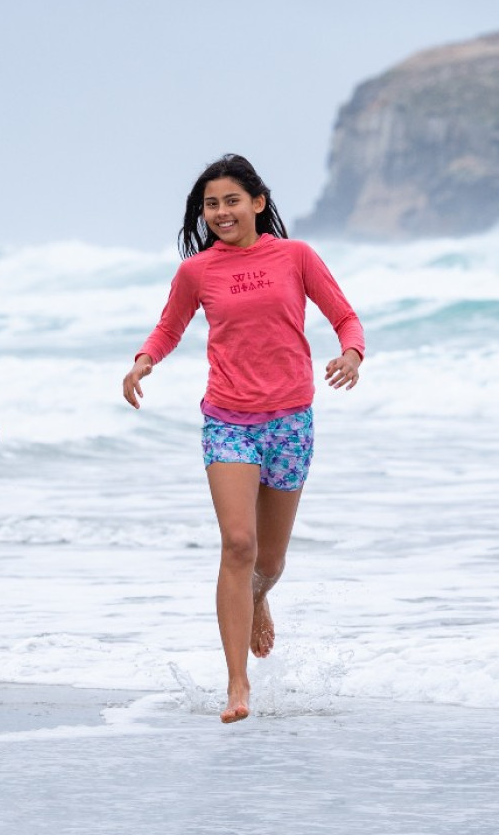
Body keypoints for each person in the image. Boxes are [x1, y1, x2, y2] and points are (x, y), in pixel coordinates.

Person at [122, 155, 364, 723]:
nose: (221, 212)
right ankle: (238, 685)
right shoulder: (197, 271)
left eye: (232, 200)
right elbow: (169, 327)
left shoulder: (296, 257)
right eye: (211, 204)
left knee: (270, 561)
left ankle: (258, 597)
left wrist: (351, 354)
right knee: (238, 544)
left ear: (257, 203)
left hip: (290, 420)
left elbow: (345, 317)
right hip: (228, 418)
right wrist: (143, 361)